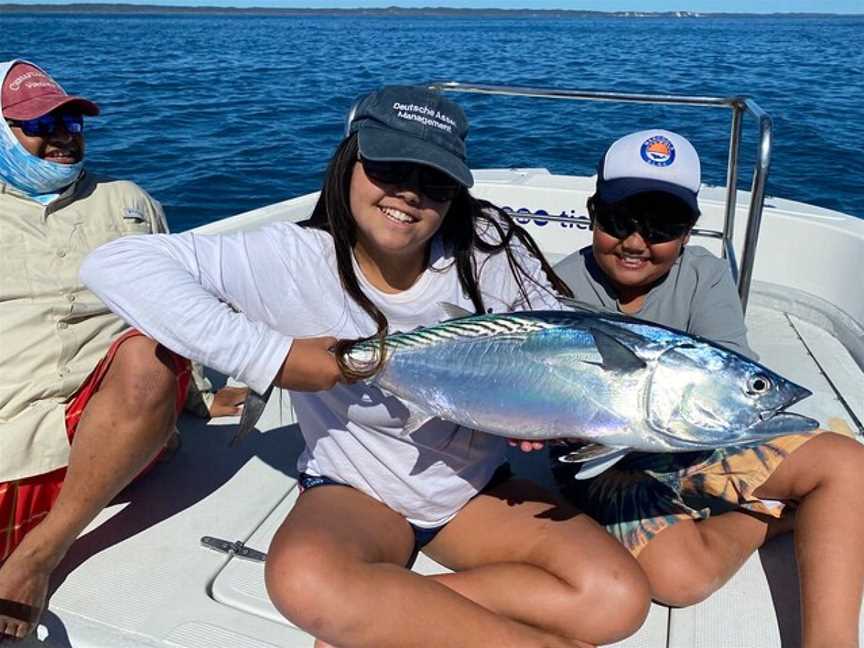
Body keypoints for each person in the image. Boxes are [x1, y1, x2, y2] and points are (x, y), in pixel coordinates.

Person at [82, 85, 651, 648]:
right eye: (388, 167)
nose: (409, 193)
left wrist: (554, 407)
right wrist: (272, 357)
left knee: (617, 598)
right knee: (304, 580)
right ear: (349, 159)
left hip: (474, 489)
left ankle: (382, 612)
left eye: (435, 181)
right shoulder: (292, 258)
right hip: (356, 489)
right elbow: (117, 264)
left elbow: (555, 343)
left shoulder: (491, 248)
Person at [552, 129, 864, 647]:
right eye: (618, 220)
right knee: (680, 580)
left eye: (661, 226)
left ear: (689, 232)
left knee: (851, 465)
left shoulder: (706, 276)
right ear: (591, 212)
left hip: (700, 441)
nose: (635, 241)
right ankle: (768, 519)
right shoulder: (555, 288)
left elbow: (735, 379)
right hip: (607, 459)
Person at [0, 59, 246, 641]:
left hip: (118, 422)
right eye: (39, 125)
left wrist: (205, 395)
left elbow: (176, 306)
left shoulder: (129, 200)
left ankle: (38, 558)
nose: (62, 136)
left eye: (71, 122)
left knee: (148, 352)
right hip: (12, 442)